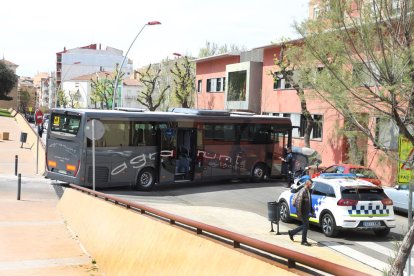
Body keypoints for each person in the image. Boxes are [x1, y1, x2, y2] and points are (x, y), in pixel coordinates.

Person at [288, 179, 313, 246]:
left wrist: (311, 210)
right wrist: (299, 213)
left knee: (305, 226)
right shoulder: (303, 191)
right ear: (307, 184)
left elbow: (309, 201)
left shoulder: (308, 191)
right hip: (303, 212)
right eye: (310, 184)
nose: (311, 186)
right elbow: (299, 203)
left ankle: (292, 232)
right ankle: (303, 241)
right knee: (306, 226)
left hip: (306, 211)